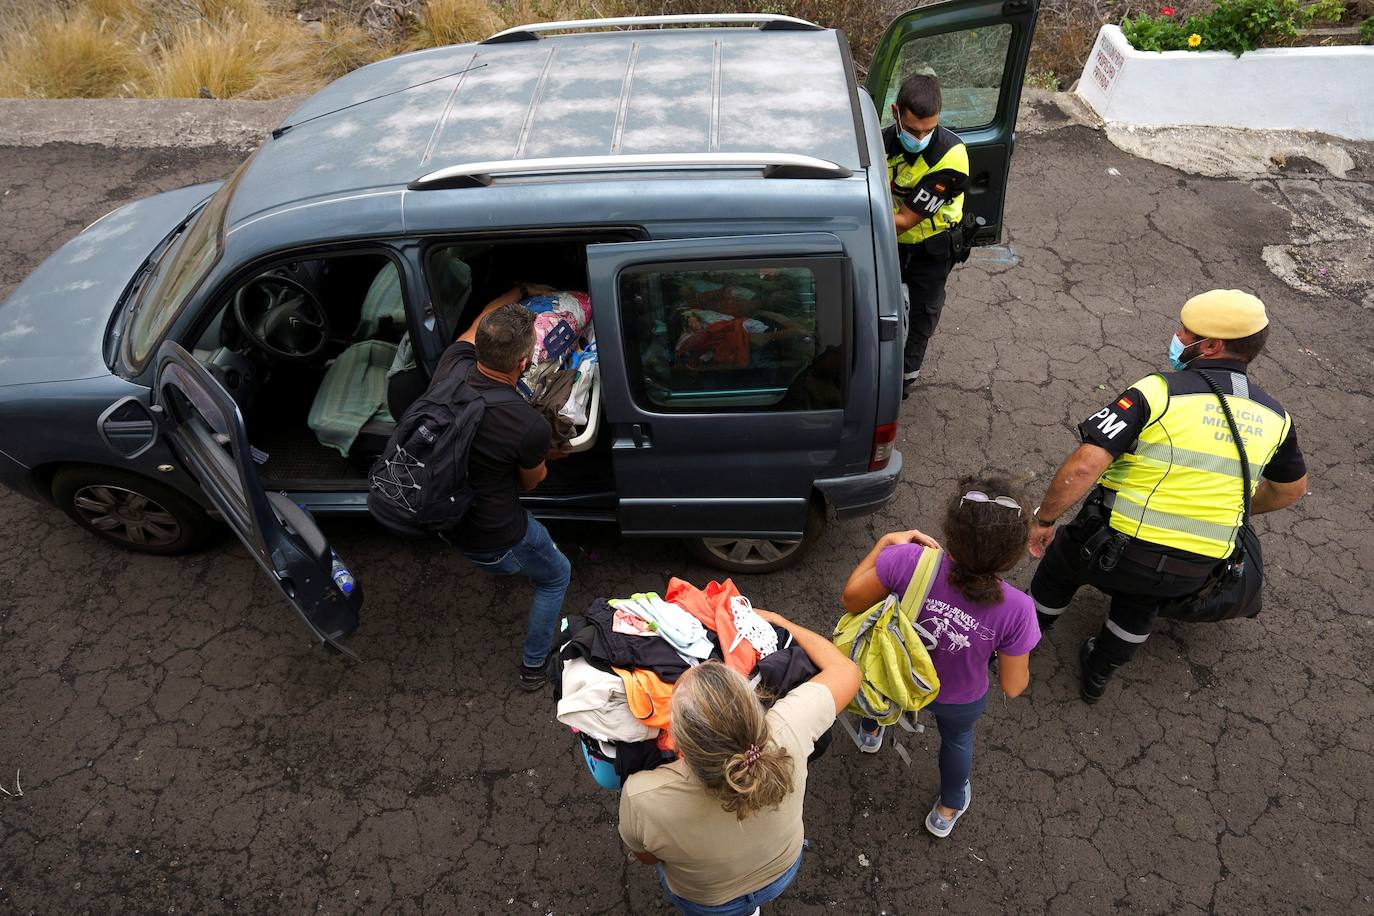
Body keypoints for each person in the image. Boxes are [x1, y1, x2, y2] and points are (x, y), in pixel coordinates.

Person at [1027, 289, 1308, 703]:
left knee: (1060, 567)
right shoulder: (1276, 417)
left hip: (1113, 547)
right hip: (1195, 568)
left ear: (1211, 345)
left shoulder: (1158, 391)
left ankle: (1024, 640)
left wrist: (1045, 519)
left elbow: (1085, 466)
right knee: (1143, 601)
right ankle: (1098, 671)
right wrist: (1237, 508)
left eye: (1185, 331)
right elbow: (1290, 489)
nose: (1177, 336)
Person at [618, 612, 860, 915]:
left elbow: (649, 858)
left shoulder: (642, 795)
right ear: (756, 703)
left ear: (677, 743)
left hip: (708, 899)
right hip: (781, 871)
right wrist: (783, 622)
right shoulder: (789, 726)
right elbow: (847, 670)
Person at [840, 476, 1040, 838]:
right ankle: (946, 809)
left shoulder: (908, 560)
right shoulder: (1019, 609)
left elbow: (852, 599)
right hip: (957, 695)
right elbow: (1013, 685)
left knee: (884, 691)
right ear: (1015, 552)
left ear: (951, 530)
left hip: (895, 670)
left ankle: (871, 732)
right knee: (957, 741)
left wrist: (883, 543)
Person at [437, 287, 571, 690]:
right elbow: (534, 481)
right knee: (555, 576)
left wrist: (515, 292)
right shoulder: (525, 422)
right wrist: (547, 454)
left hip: (447, 514)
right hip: (496, 532)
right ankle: (533, 667)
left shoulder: (451, 363)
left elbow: (481, 316)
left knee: (503, 559)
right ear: (525, 362)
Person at [884, 73, 970, 398]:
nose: (920, 137)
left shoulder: (951, 156)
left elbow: (905, 220)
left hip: (931, 249)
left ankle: (902, 385)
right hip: (890, 246)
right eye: (912, 130)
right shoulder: (880, 141)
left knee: (920, 316)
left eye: (928, 130)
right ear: (896, 112)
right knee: (881, 309)